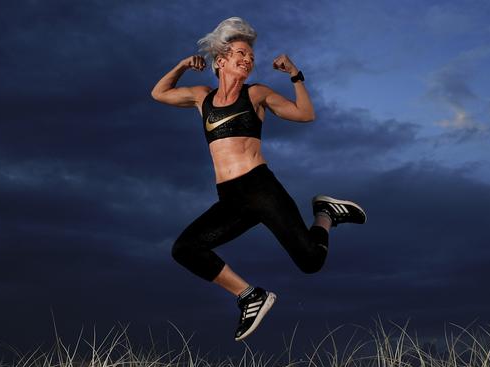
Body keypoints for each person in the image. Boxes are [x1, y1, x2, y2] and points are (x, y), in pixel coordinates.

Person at [151, 17, 365, 341]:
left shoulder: (256, 95)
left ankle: (325, 214)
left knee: (310, 261)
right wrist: (182, 65)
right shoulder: (201, 97)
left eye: (251, 56)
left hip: (260, 188)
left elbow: (306, 114)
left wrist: (295, 75)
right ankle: (250, 296)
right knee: (185, 248)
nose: (248, 60)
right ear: (220, 60)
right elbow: (159, 93)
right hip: (230, 198)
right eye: (241, 53)